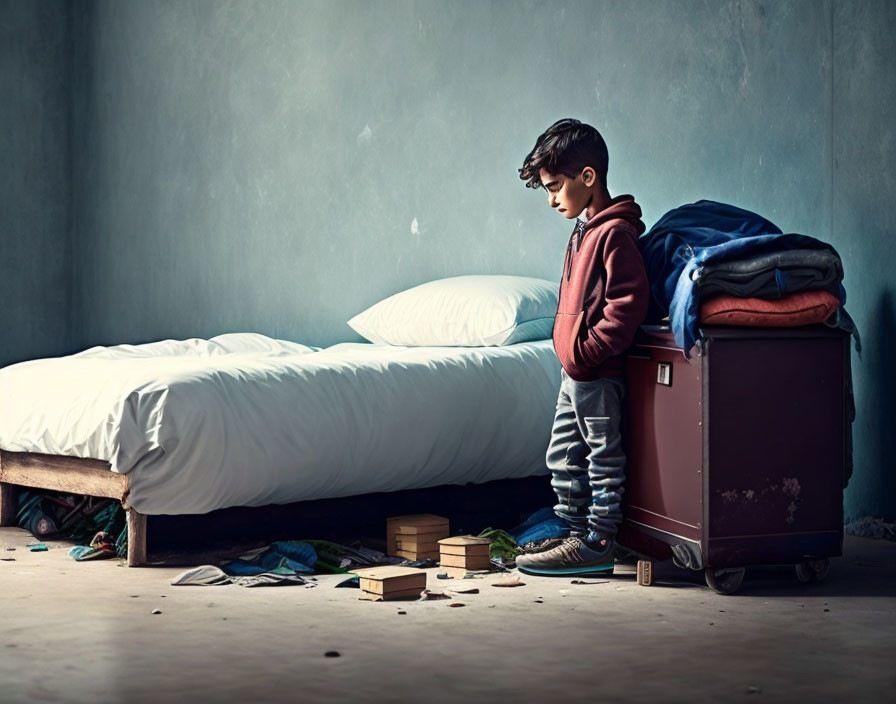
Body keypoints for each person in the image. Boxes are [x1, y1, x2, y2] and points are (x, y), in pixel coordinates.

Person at [515, 118, 650, 575]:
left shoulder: (614, 234)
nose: (551, 199)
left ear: (588, 178)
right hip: (574, 372)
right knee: (562, 454)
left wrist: (589, 352)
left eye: (555, 187)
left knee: (602, 457)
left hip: (597, 374)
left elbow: (626, 306)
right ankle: (571, 531)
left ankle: (598, 541)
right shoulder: (584, 231)